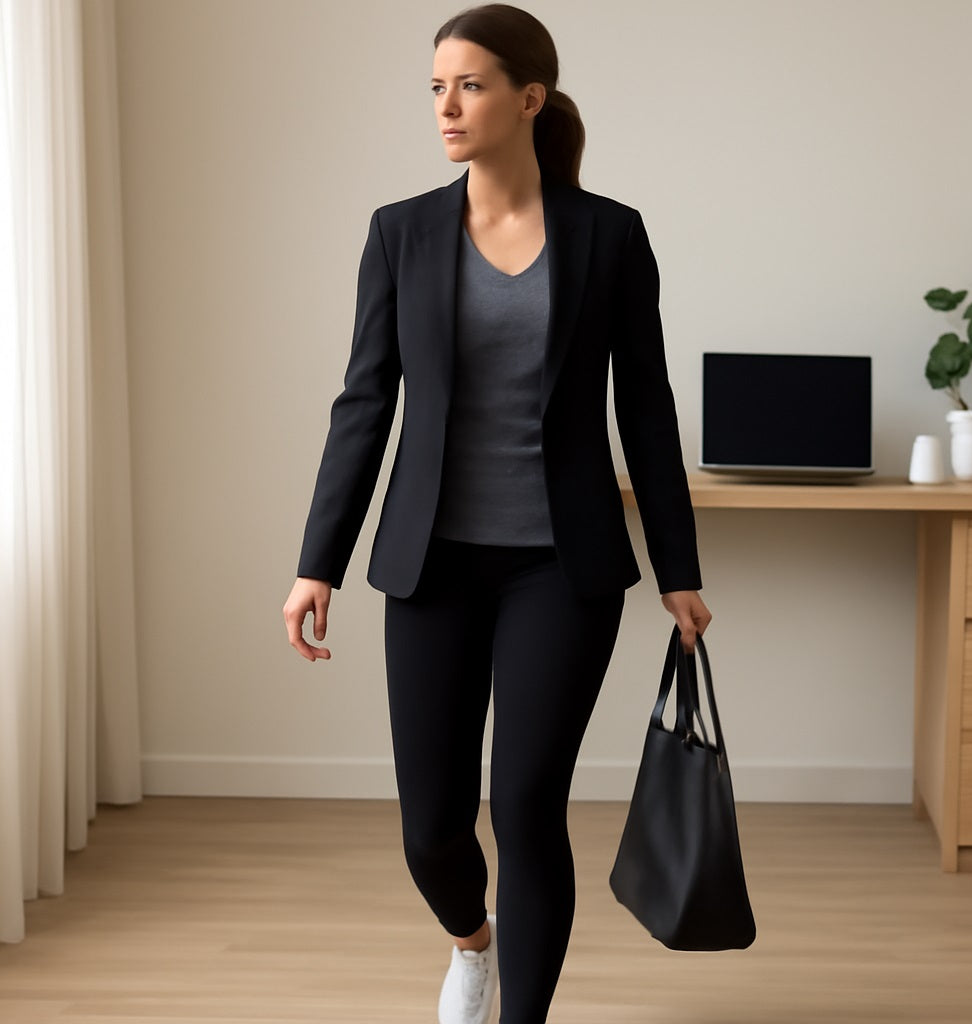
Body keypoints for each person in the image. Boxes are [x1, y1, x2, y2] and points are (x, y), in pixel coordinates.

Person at [282, 5, 710, 1022]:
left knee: (524, 804)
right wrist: (318, 563)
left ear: (528, 97)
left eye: (468, 84)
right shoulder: (402, 234)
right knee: (431, 824)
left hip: (559, 572)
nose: (446, 105)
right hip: (430, 564)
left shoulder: (609, 236)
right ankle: (471, 943)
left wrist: (678, 567)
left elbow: (644, 409)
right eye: (436, 86)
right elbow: (363, 403)